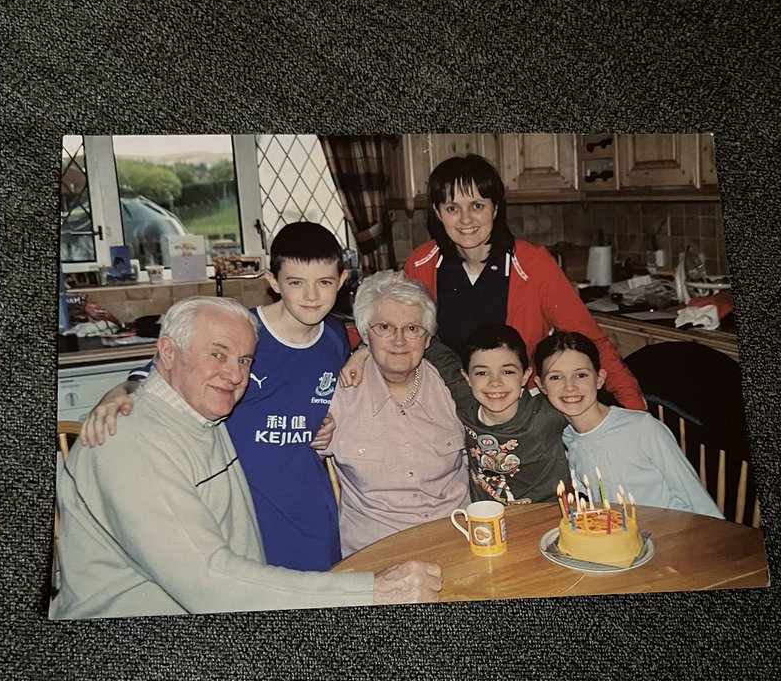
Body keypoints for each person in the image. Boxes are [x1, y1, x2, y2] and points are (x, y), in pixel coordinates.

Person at [51, 297, 441, 619]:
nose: (234, 375)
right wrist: (373, 589)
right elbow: (207, 582)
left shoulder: (205, 416)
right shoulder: (130, 442)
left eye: (244, 361)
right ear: (168, 353)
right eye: (217, 355)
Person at [80, 222, 352, 571]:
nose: (312, 296)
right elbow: (160, 370)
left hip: (308, 499)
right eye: (296, 283)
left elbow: (326, 393)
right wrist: (120, 392)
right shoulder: (242, 332)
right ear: (273, 282)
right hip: (242, 499)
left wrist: (327, 423)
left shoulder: (335, 337)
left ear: (342, 280)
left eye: (324, 282)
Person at [403, 154, 646, 409]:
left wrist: (637, 414)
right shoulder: (422, 264)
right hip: (453, 407)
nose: (466, 219)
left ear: (495, 208)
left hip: (525, 414)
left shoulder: (533, 265)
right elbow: (394, 329)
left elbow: (592, 343)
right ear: (438, 213)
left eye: (477, 205)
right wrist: (363, 351)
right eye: (452, 208)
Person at [342, 322, 571, 505]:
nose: (495, 382)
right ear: (466, 377)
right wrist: (364, 352)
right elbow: (426, 342)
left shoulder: (548, 413)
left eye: (508, 371)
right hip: (489, 526)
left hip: (547, 523)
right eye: (482, 373)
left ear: (525, 376)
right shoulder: (464, 403)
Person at [325, 271, 470, 557]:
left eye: (413, 329)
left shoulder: (453, 388)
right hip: (377, 554)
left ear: (428, 339)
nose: (400, 341)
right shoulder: (339, 395)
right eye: (385, 328)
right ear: (366, 335)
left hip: (457, 543)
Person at [533, 331, 723, 517]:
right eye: (555, 377)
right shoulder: (567, 439)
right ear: (541, 386)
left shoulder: (642, 428)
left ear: (599, 379)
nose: (570, 386)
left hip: (675, 535)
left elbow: (699, 502)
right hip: (622, 540)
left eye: (581, 375)